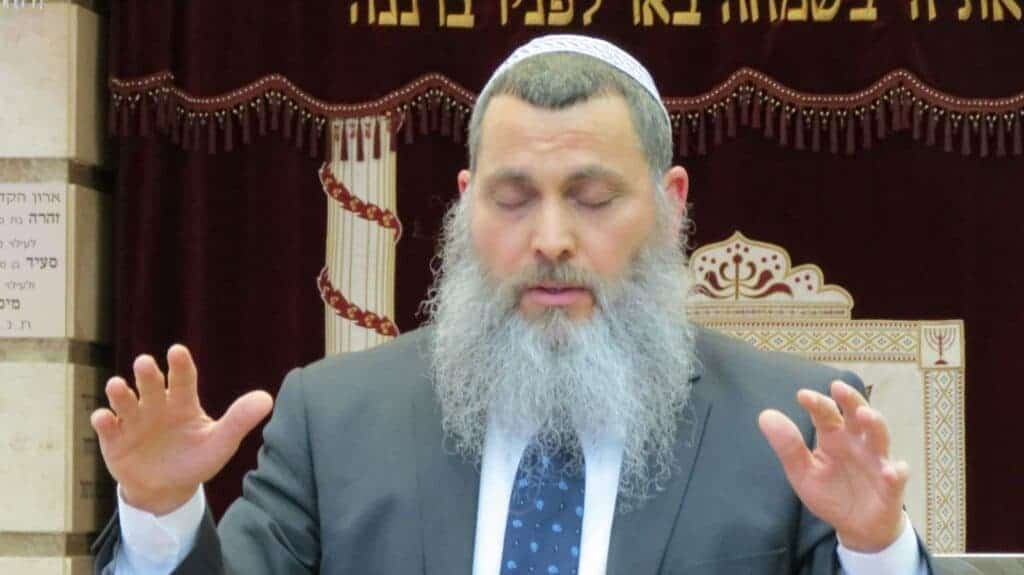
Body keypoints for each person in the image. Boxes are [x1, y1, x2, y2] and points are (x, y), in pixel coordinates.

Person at [91, 35, 933, 574]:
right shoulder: (334, 419)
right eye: (514, 197)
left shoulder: (787, 423)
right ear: (466, 202)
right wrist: (162, 517)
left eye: (593, 198)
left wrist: (876, 549)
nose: (551, 239)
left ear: (670, 203)